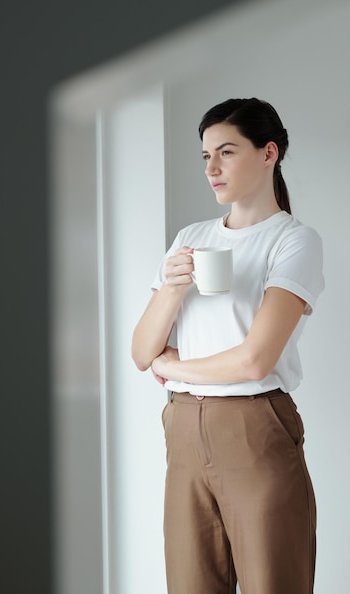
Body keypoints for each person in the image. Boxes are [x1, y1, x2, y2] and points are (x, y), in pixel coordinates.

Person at [131, 97, 325, 594]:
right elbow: (140, 352)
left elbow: (256, 358)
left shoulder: (293, 241)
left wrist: (177, 366)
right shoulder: (189, 239)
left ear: (268, 153)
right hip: (183, 433)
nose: (212, 168)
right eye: (205, 156)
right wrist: (172, 288)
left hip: (255, 427)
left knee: (273, 583)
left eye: (227, 152)